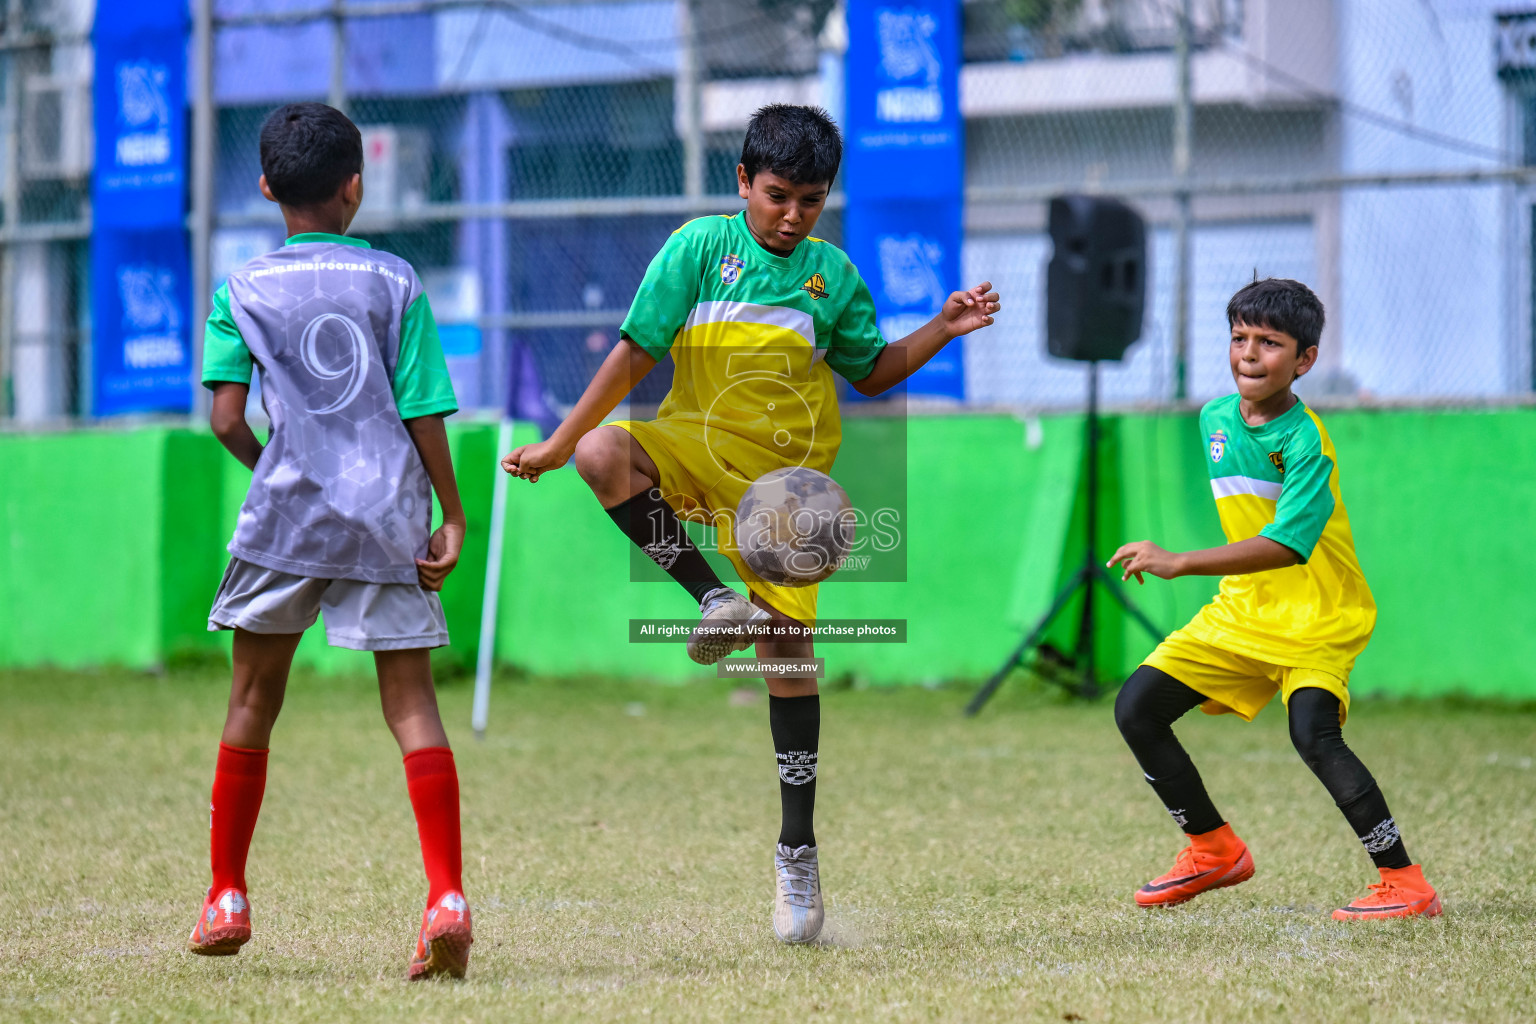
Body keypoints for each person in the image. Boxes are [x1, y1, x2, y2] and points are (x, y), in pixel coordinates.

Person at [501, 104, 1000, 943]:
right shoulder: (699, 249)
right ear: (743, 182)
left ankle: (796, 850)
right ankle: (709, 599)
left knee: (788, 666)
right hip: (693, 452)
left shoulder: (832, 276)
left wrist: (943, 330)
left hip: (785, 499)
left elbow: (872, 374)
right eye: (777, 195)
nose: (792, 214)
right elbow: (633, 352)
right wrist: (556, 441)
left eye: (811, 199)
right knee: (599, 456)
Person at [188, 102, 474, 978]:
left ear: (268, 187)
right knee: (412, 706)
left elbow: (227, 417)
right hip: (387, 516)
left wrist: (273, 465)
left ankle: (227, 893)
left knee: (251, 705)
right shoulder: (396, 282)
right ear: (357, 187)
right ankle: (446, 896)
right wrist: (449, 512)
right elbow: (423, 408)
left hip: (285, 518)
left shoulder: (239, 289)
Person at [1107, 277, 1439, 921]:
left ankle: (1404, 882)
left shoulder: (1306, 441)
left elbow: (1288, 544)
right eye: (1239, 338)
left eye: (1269, 343)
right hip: (1244, 611)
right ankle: (1212, 848)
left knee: (1313, 734)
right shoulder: (1214, 419)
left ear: (1304, 360)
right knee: (1137, 708)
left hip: (1319, 612)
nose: (1249, 354)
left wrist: (1179, 562)